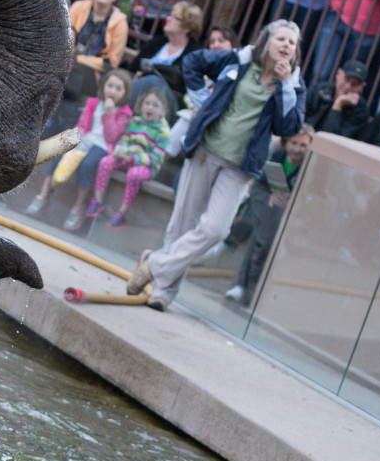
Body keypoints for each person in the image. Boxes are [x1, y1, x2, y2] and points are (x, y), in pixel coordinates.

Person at [129, 20, 304, 311]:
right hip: (206, 150)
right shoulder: (241, 59)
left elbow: (289, 126)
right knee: (183, 223)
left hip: (240, 168)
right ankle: (162, 292)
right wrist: (202, 101)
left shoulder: (294, 84)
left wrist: (286, 86)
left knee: (216, 230)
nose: (286, 45)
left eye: (292, 42)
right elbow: (194, 62)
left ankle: (154, 264)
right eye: (281, 39)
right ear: (267, 42)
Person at [27, 70, 131, 230]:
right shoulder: (93, 103)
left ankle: (78, 207)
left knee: (87, 165)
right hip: (85, 139)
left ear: (125, 93)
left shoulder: (124, 113)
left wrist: (109, 114)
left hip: (103, 145)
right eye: (110, 86)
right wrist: (76, 136)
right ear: (103, 86)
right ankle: (43, 195)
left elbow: (112, 137)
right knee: (60, 154)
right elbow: (82, 125)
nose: (113, 91)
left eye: (118, 89)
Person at [224, 123, 313, 305]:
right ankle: (245, 286)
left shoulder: (310, 167)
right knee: (261, 237)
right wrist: (273, 196)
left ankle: (246, 286)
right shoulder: (278, 156)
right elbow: (265, 184)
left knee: (262, 239)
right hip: (265, 198)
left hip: (288, 210)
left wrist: (288, 201)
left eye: (303, 145)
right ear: (286, 143)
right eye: (294, 143)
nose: (297, 149)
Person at [89, 85, 172, 228]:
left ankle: (122, 212)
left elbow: (156, 158)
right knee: (106, 161)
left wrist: (133, 159)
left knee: (134, 174)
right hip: (127, 158)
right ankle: (97, 201)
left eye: (155, 105)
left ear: (163, 111)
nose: (150, 108)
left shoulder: (163, 132)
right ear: (141, 106)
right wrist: (119, 152)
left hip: (145, 166)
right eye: (147, 103)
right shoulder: (135, 122)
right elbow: (125, 140)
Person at [127, 0, 203, 103]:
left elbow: (185, 87)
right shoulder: (157, 42)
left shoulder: (193, 54)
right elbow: (133, 67)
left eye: (174, 17)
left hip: (166, 103)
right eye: (170, 15)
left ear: (187, 27)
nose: (168, 18)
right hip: (138, 95)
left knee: (152, 81)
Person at [67, 0, 128, 95]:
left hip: (93, 75)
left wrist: (78, 59)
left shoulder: (120, 22)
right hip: (66, 62)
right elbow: (63, 35)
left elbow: (112, 62)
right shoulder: (78, 7)